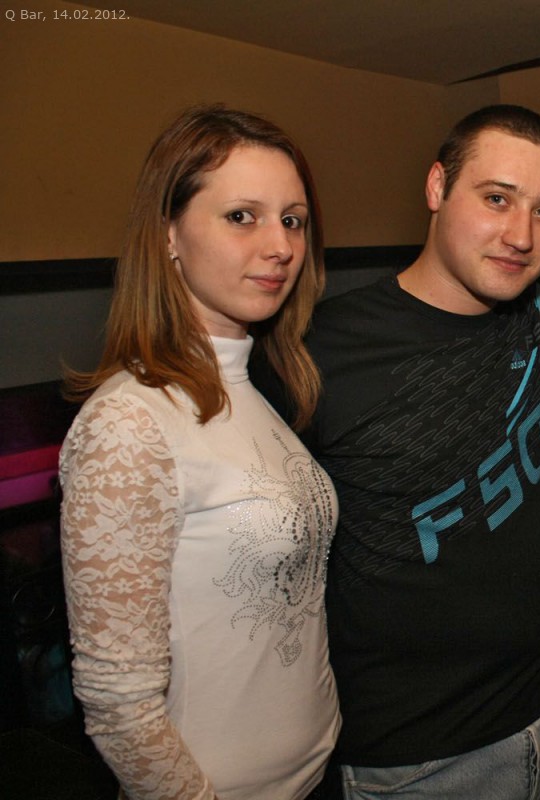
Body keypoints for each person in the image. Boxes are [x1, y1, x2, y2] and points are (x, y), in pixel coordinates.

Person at [292, 105, 540, 798]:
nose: (521, 235)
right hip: (417, 762)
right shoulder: (316, 351)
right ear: (437, 187)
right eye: (496, 199)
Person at [58, 105, 339, 799]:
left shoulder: (256, 387)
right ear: (169, 235)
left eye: (293, 220)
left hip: (317, 774)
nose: (280, 246)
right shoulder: (129, 424)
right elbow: (120, 706)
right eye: (242, 216)